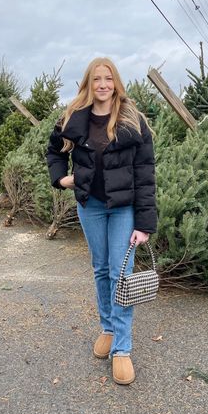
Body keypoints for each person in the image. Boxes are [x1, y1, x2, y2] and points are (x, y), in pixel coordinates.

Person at [46, 57, 157, 385]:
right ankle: (108, 328)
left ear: (116, 82)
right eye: (97, 79)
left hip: (123, 209)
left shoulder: (132, 119)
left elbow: (145, 172)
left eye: (108, 78)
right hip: (90, 207)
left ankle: (122, 348)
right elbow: (54, 152)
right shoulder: (73, 117)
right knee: (101, 269)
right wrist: (62, 179)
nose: (103, 84)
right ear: (89, 83)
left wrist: (145, 222)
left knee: (120, 275)